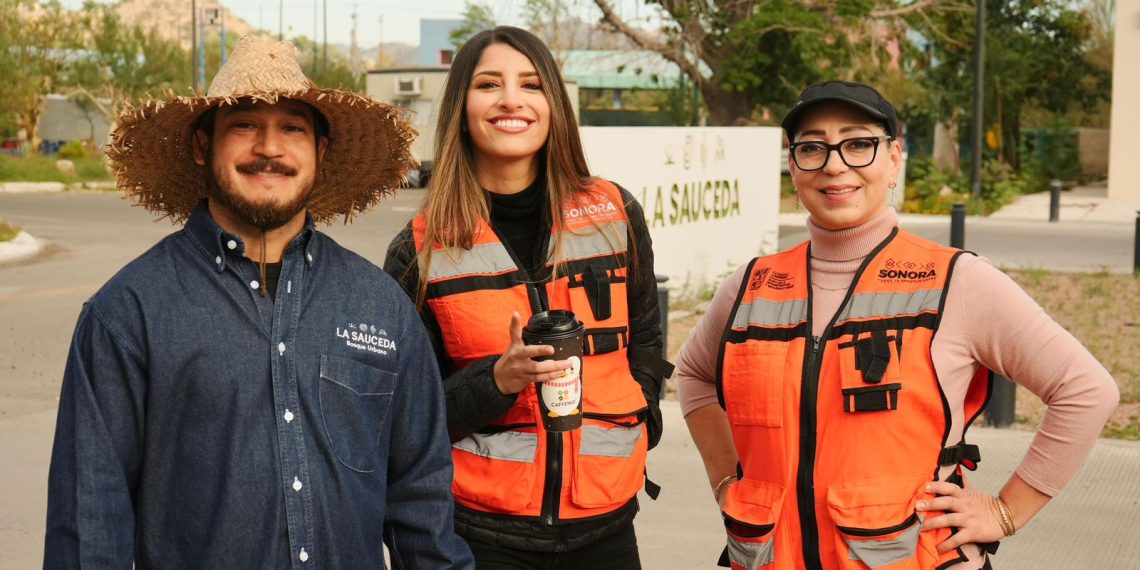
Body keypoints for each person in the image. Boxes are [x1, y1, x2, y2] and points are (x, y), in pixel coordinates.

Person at [44, 35, 474, 569]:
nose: (269, 147)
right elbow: (90, 526)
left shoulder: (380, 306)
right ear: (204, 147)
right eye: (245, 125)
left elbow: (421, 505)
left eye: (292, 128)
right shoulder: (128, 313)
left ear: (319, 152)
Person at [677, 80, 1119, 569]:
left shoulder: (957, 280)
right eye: (812, 147)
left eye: (858, 143)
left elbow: (1086, 390)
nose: (834, 164)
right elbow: (694, 376)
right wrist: (726, 479)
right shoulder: (750, 285)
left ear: (894, 160)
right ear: (794, 166)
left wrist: (1006, 512)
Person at [384, 26, 671, 569]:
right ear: (461, 107)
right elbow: (410, 418)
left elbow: (649, 340)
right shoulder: (418, 249)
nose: (511, 99)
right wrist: (496, 380)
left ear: (553, 104)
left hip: (607, 525)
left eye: (532, 84)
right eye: (489, 84)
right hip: (482, 535)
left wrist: (645, 414)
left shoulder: (615, 213)